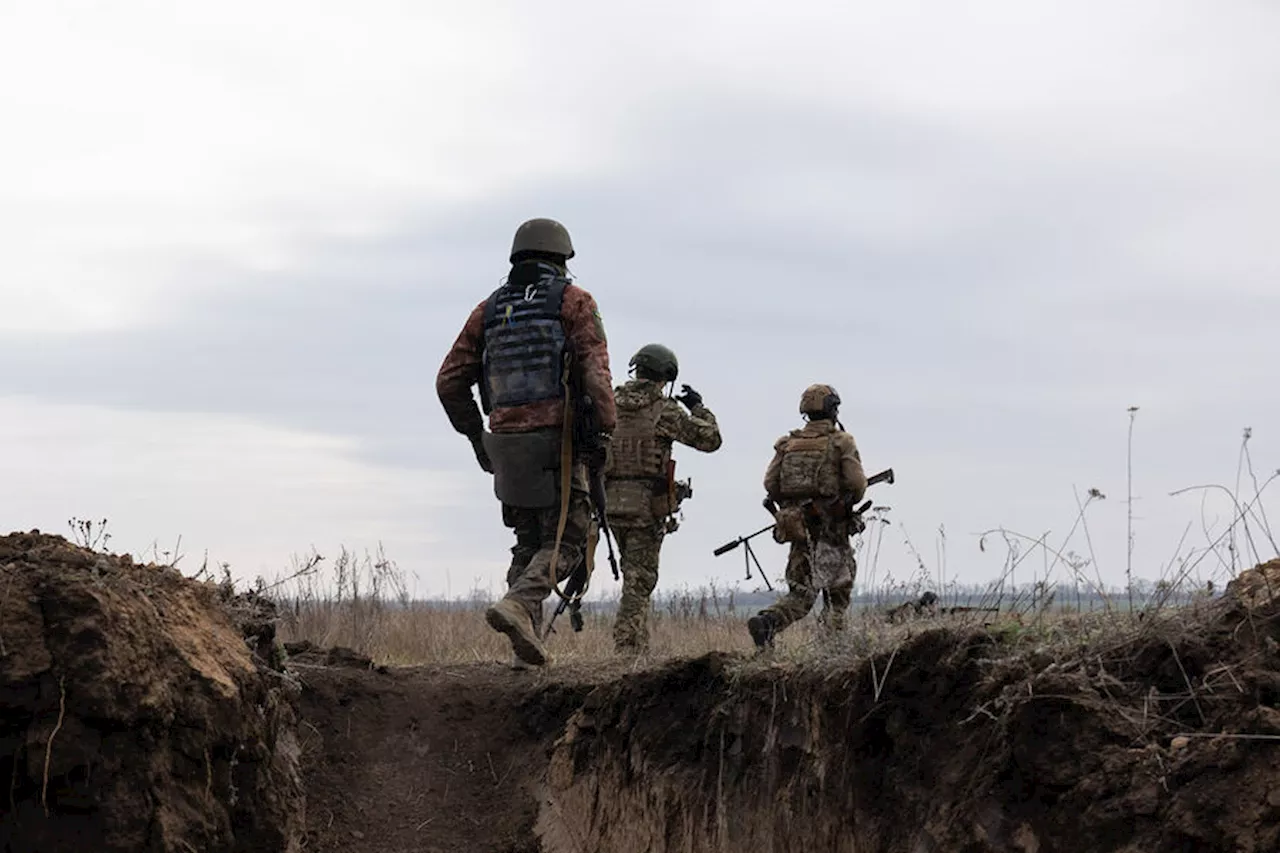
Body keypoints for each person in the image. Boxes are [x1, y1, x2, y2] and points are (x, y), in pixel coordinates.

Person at [436, 218, 615, 667]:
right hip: (558, 445)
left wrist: (479, 437)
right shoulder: (574, 302)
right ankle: (517, 606)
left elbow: (449, 381)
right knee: (569, 541)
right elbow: (596, 376)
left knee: (529, 540)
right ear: (561, 260)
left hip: (507, 446)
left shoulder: (489, 310)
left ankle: (525, 649)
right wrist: (605, 430)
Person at [605, 343, 722, 653]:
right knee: (640, 580)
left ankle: (637, 651)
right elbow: (711, 440)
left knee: (633, 575)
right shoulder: (664, 409)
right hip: (645, 507)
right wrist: (698, 407)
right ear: (666, 375)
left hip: (609, 503)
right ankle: (627, 647)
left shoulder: (609, 404)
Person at [747, 383, 867, 649]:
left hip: (799, 530)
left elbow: (771, 485)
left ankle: (768, 622)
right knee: (837, 594)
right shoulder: (841, 442)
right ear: (833, 409)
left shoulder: (787, 444)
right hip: (832, 531)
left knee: (801, 594)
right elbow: (857, 485)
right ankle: (831, 649)